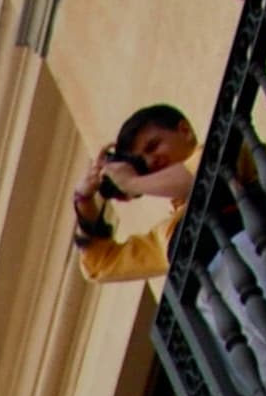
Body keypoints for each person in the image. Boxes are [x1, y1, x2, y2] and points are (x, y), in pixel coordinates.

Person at [75, 104, 195, 282]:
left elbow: (197, 178)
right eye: (141, 162)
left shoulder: (223, 148)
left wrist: (131, 182)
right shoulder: (165, 234)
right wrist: (84, 200)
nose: (150, 161)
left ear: (185, 131)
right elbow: (99, 264)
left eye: (153, 146)